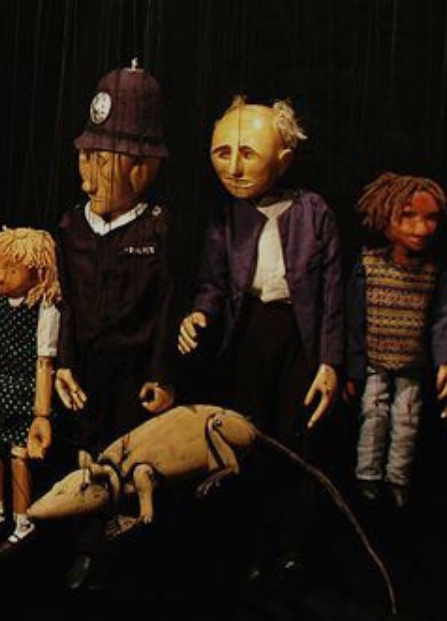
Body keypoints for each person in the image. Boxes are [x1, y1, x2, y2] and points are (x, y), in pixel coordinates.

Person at [177, 95, 343, 583]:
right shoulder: (226, 215)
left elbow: (333, 295)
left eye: (247, 153)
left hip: (299, 337)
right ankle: (252, 541)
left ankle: (291, 543)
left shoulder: (314, 212)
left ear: (283, 159)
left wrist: (330, 362)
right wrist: (200, 315)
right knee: (248, 436)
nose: (233, 167)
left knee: (297, 439)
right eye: (222, 153)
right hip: (247, 333)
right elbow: (212, 282)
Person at [53, 61, 176, 592]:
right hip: (85, 367)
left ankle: (122, 553)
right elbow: (62, 303)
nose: (86, 174)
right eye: (84, 157)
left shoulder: (157, 229)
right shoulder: (71, 226)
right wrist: (63, 364)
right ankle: (85, 546)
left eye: (101, 161)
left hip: (133, 372)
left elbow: (167, 307)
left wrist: (162, 375)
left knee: (130, 459)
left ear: (142, 169)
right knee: (84, 454)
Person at [343, 172, 447, 509]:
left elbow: (444, 319)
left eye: (430, 218)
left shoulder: (433, 272)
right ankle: (368, 476)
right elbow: (354, 319)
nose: (421, 228)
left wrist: (445, 360)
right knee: (373, 414)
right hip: (374, 361)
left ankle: (398, 478)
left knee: (408, 420)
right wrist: (352, 368)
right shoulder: (368, 265)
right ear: (385, 216)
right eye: (408, 216)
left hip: (412, 363)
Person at [0, 227, 60, 558]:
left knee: (20, 455)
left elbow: (44, 361)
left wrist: (41, 411)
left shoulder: (45, 308)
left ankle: (23, 521)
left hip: (27, 389)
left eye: (11, 268)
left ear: (38, 271)